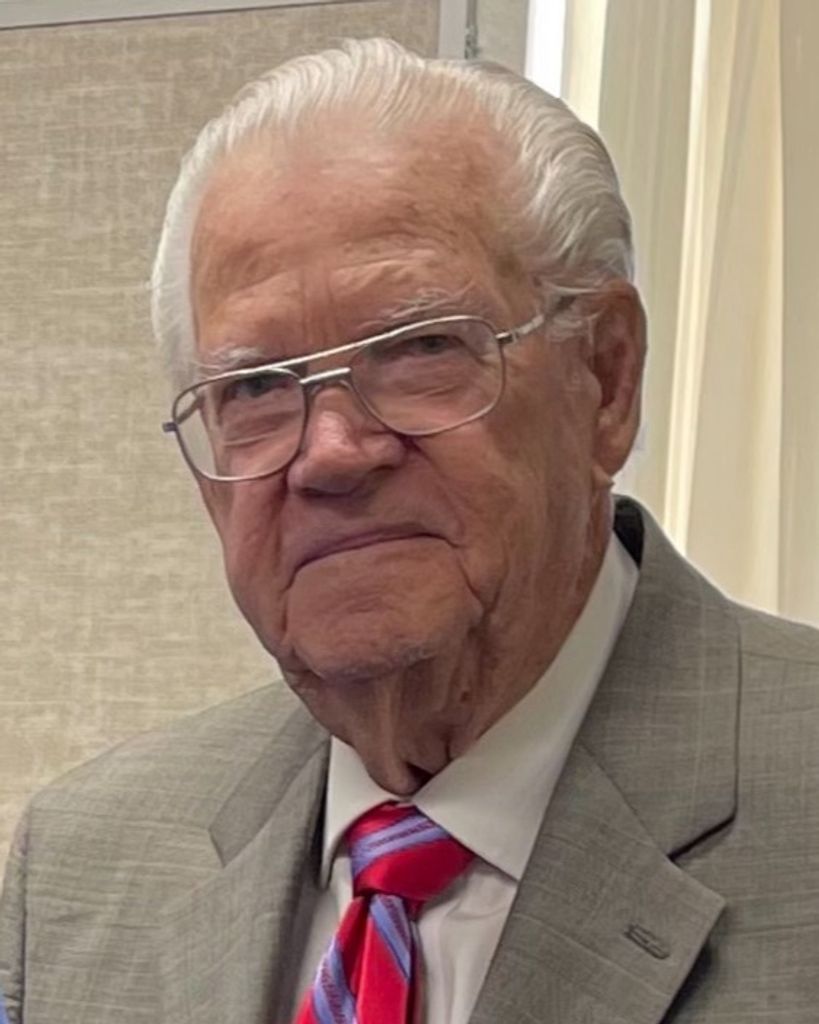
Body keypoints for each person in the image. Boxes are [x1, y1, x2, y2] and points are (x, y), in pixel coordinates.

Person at [1, 37, 817, 1024]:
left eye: (419, 348)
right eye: (254, 388)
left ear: (606, 378)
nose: (331, 451)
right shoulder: (84, 869)